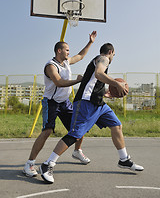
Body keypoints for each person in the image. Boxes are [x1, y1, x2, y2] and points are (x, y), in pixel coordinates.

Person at [39, 42, 144, 184]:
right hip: (85, 103)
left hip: (98, 103)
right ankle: (48, 164)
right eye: (114, 54)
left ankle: (124, 159)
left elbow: (95, 82)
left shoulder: (101, 61)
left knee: (116, 125)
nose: (113, 57)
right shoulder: (103, 58)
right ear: (111, 52)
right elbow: (99, 73)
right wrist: (116, 83)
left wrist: (105, 93)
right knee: (75, 134)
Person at [23, 31, 97, 177]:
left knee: (78, 127)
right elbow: (59, 82)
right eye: (67, 49)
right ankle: (30, 163)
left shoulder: (66, 62)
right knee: (47, 131)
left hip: (65, 103)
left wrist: (90, 42)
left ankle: (77, 151)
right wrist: (77, 80)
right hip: (51, 102)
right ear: (59, 50)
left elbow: (81, 56)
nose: (69, 52)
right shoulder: (51, 66)